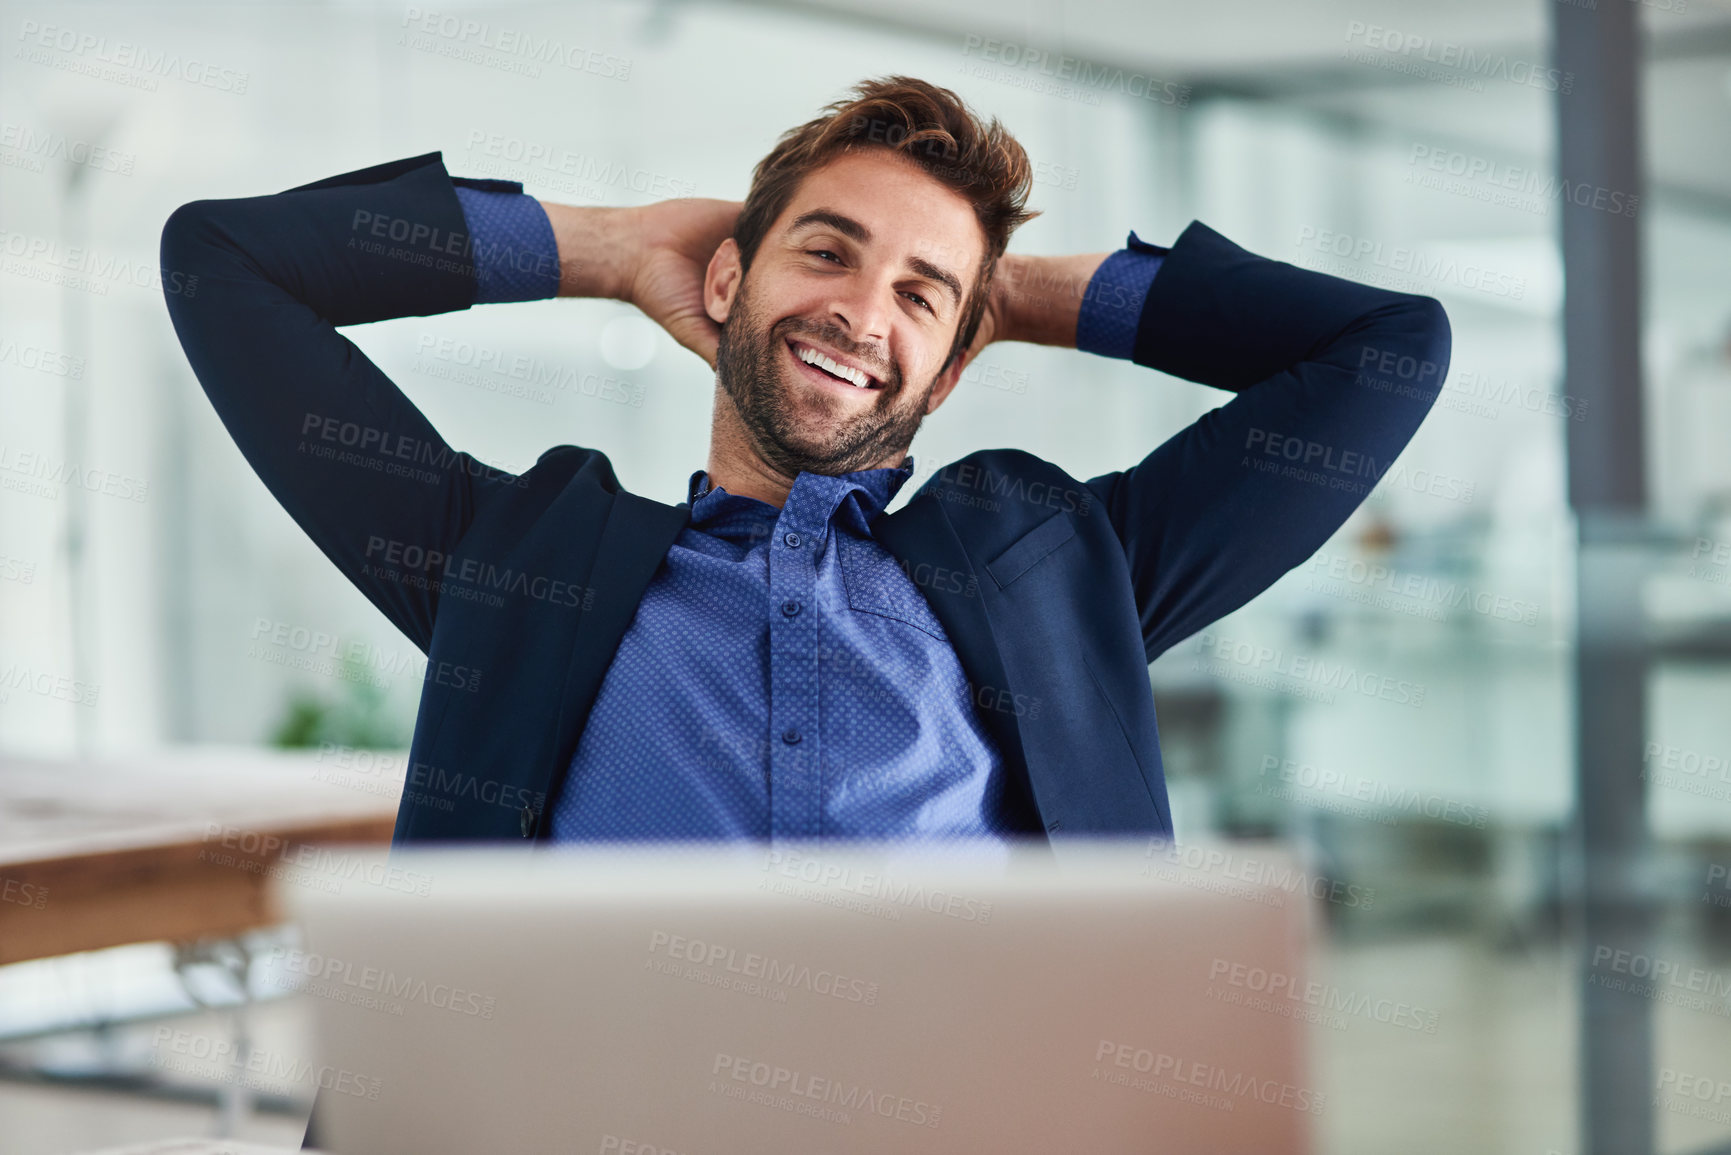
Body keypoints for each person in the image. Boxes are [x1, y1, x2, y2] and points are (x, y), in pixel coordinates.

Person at [160, 75, 1450, 852]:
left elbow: (1388, 351)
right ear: (728, 276)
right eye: (825, 252)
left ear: (952, 368)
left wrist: (1027, 295)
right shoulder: (515, 565)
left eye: (919, 295)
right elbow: (224, 262)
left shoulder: (1063, 577)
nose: (860, 312)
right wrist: (606, 246)